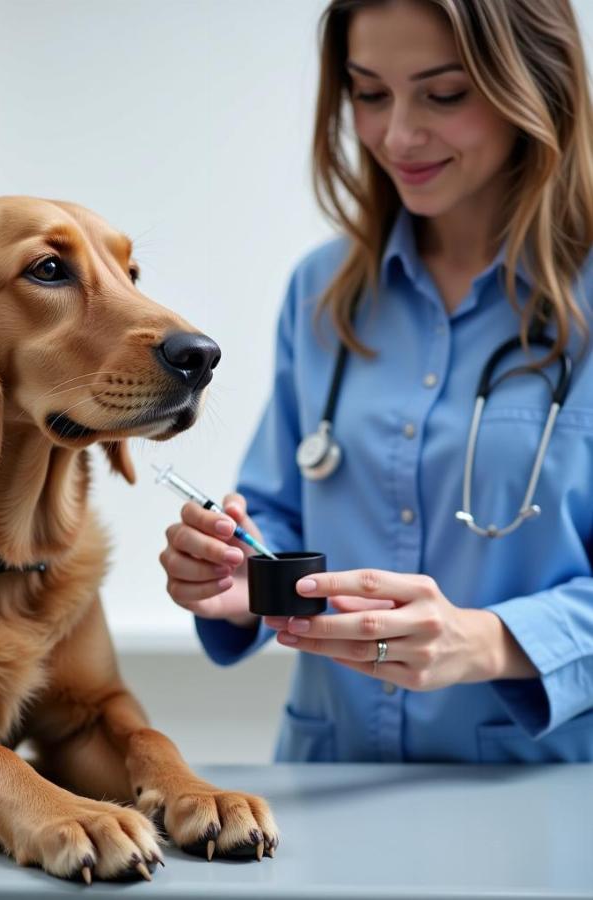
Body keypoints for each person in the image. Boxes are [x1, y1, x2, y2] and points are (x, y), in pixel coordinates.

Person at [159, 0, 593, 763]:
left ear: (537, 84)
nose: (397, 136)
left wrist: (487, 641)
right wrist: (240, 574)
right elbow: (277, 513)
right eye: (369, 93)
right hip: (334, 777)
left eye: (445, 93)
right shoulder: (322, 291)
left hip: (541, 793)